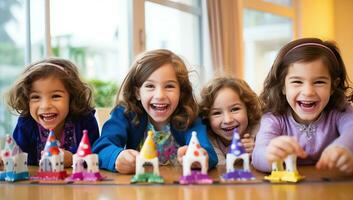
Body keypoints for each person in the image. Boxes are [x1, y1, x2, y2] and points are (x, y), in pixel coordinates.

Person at [92, 49, 218, 173]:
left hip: (177, 190)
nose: (160, 95)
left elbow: (209, 153)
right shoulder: (125, 114)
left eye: (169, 86)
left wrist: (200, 157)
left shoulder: (189, 116)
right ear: (137, 93)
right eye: (150, 86)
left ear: (181, 92)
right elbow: (101, 147)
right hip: (137, 190)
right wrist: (116, 157)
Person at [252, 38, 353, 174]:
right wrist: (269, 155)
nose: (308, 92)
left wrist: (343, 147)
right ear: (283, 87)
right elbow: (258, 156)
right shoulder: (274, 118)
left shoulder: (340, 111)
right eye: (297, 81)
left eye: (319, 82)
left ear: (333, 86)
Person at [6, 58, 99, 167]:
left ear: (72, 97)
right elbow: (17, 160)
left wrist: (73, 159)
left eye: (56, 96)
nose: (45, 106)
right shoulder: (26, 123)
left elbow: (97, 158)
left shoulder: (85, 120)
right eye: (35, 97)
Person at [199, 77, 261, 165]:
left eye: (235, 109)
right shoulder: (209, 139)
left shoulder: (260, 130)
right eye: (217, 113)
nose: (228, 120)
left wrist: (258, 153)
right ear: (207, 117)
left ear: (248, 109)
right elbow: (220, 170)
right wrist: (238, 158)